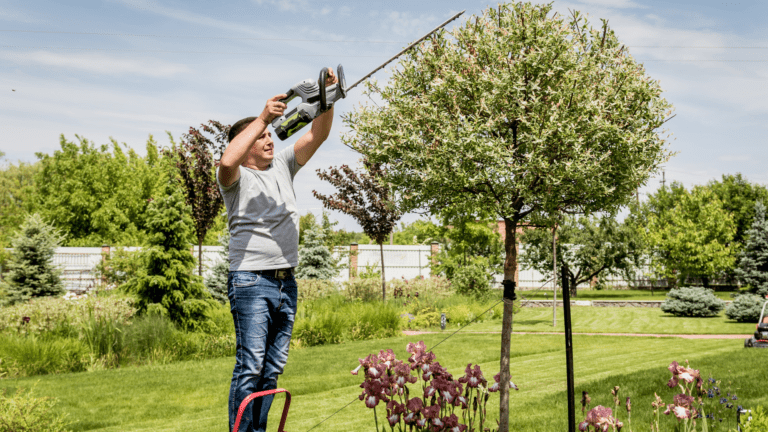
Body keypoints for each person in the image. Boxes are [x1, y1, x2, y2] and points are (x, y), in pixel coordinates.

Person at [217, 69, 337, 432]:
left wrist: (327, 96)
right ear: (247, 141)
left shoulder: (283, 165)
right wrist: (262, 117)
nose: (270, 139)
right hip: (252, 282)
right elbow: (225, 161)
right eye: (262, 136)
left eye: (271, 135)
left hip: (287, 283)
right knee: (250, 366)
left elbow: (317, 134)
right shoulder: (235, 180)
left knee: (271, 369)